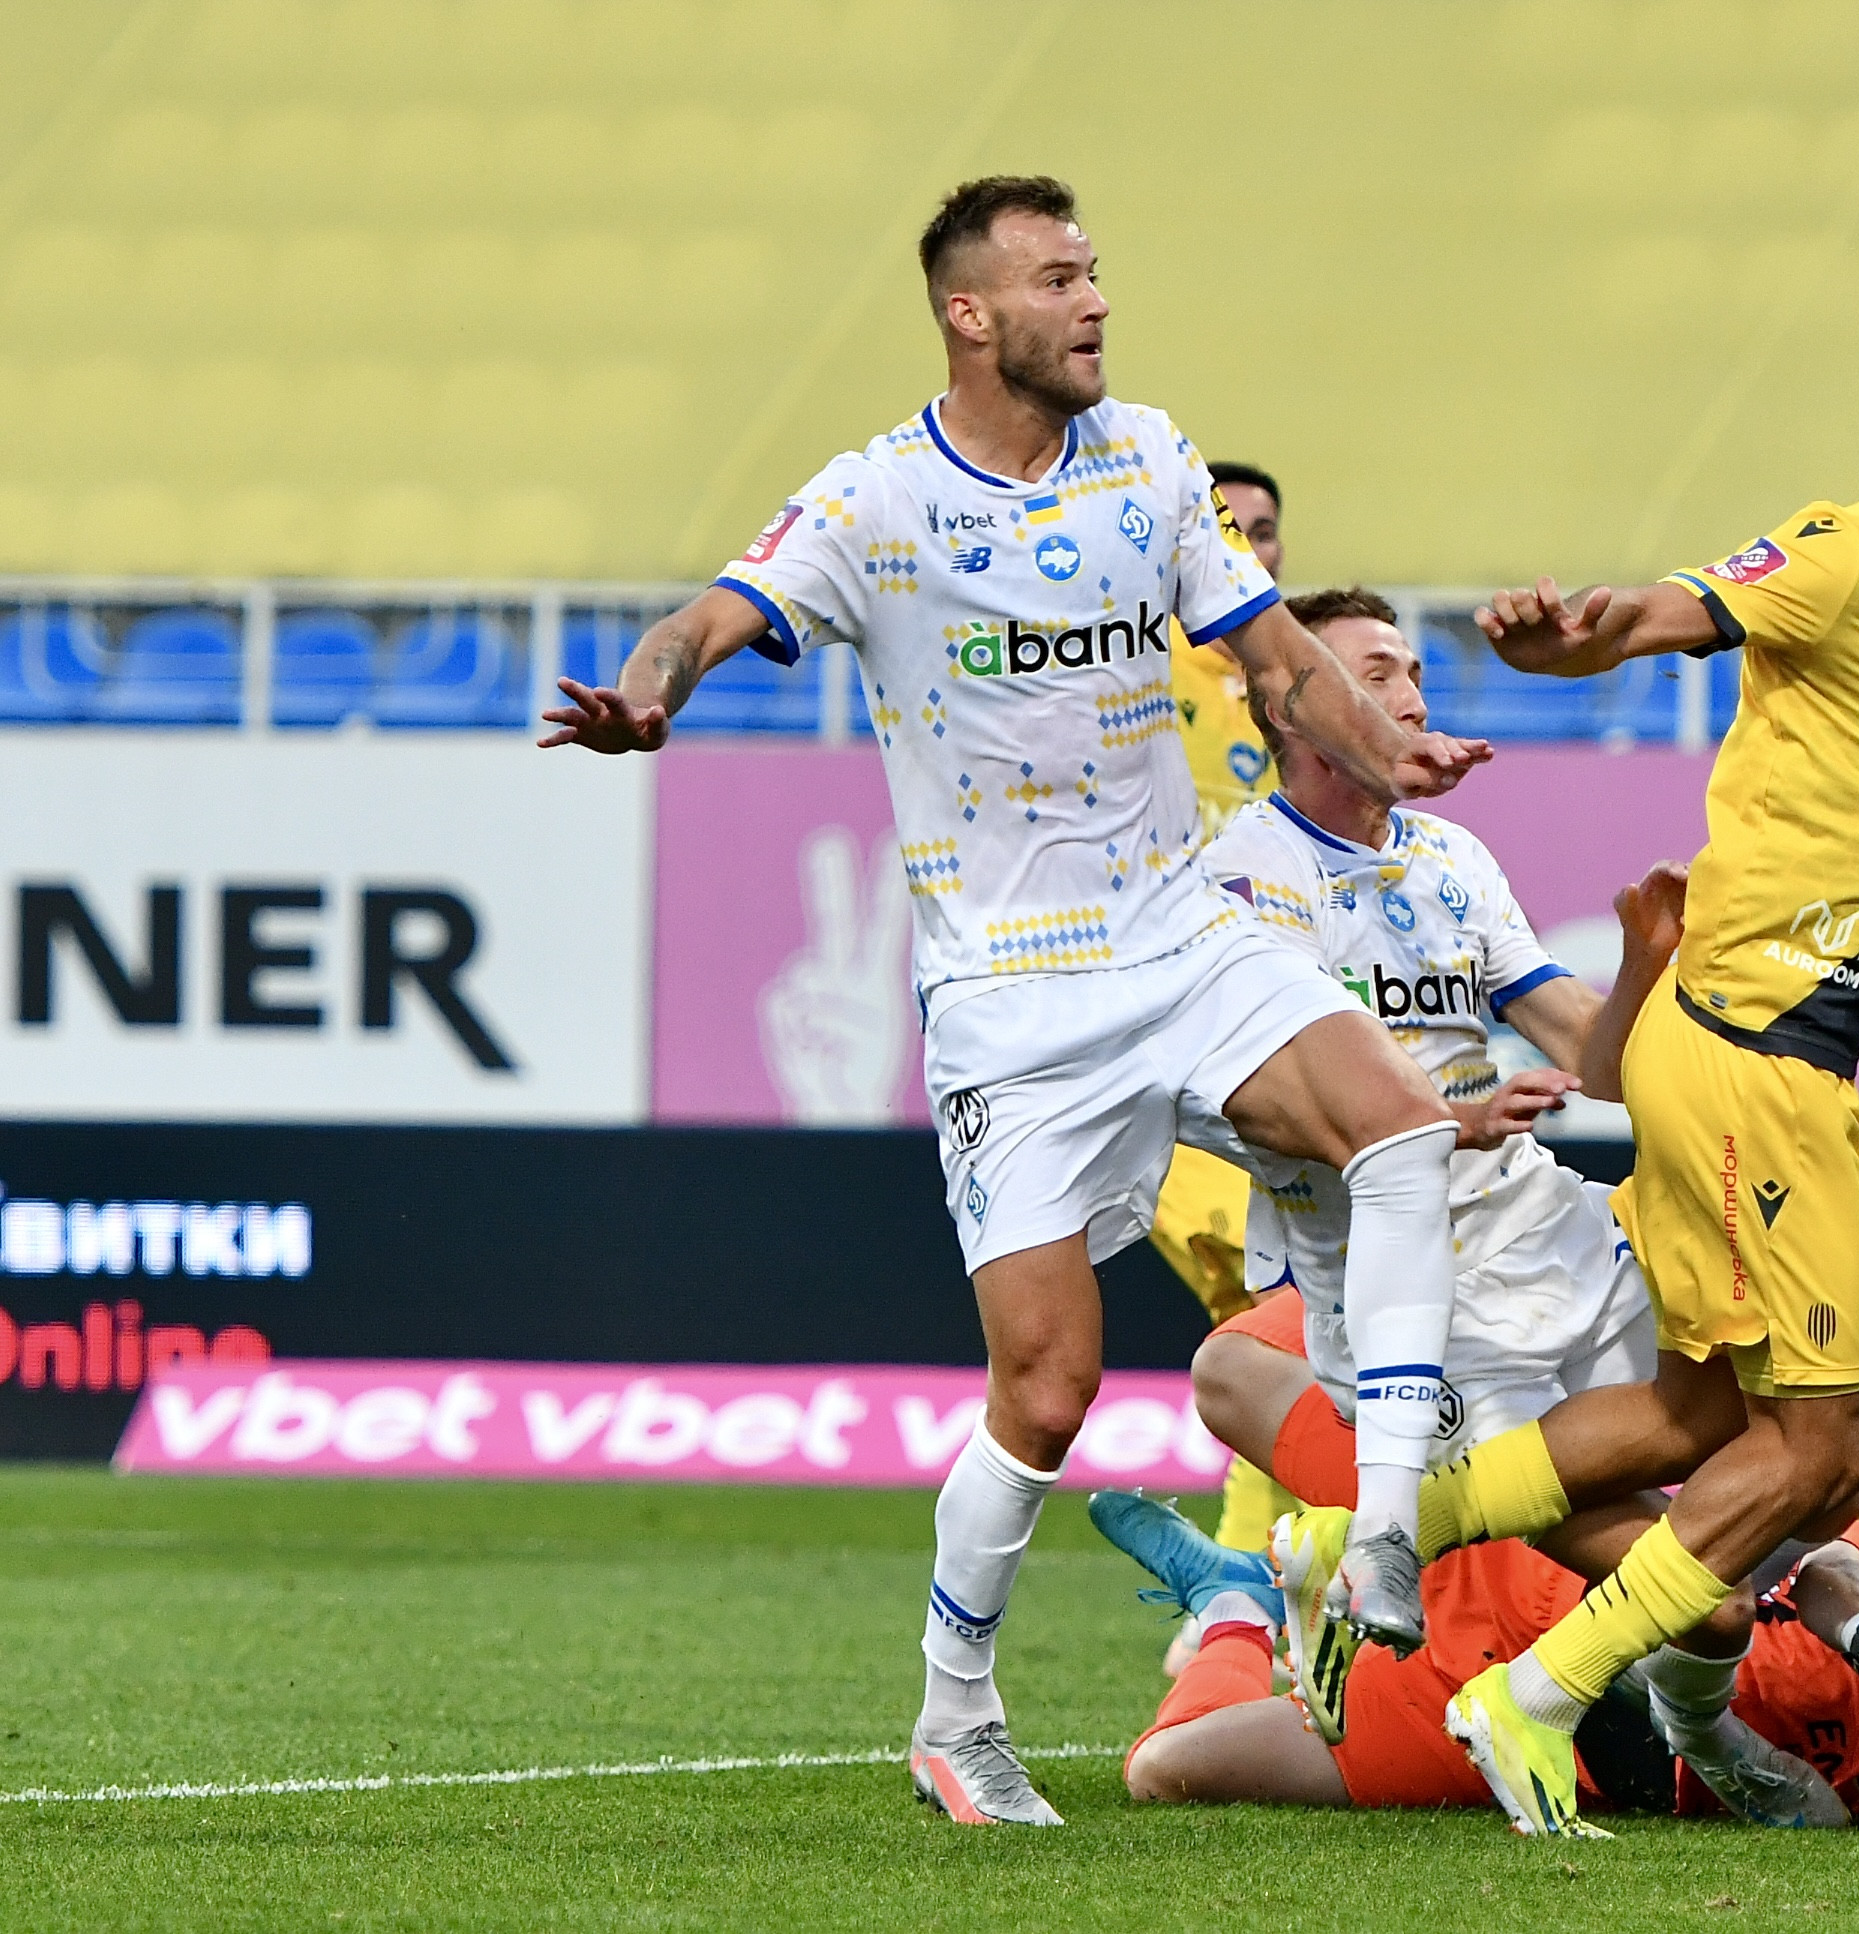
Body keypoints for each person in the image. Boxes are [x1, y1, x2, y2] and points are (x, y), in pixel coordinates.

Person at [538, 176, 1490, 1826]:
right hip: (1011, 995)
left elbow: (1275, 654)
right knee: (1047, 1390)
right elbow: (705, 618)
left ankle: (1388, 1518)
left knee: (1403, 1128)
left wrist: (1383, 748)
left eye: (1094, 270)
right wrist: (647, 696)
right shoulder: (879, 499)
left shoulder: (1150, 459)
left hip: (1180, 934)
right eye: (1058, 278)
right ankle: (954, 1713)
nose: (1095, 300)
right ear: (970, 315)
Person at [1402, 319, 1859, 1835]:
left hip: (1744, 1049)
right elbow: (1674, 609)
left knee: (1696, 1414)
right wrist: (1573, 645)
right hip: (1757, 1053)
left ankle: (1367, 1539)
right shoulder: (1852, 549)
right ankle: (1535, 1693)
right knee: (1819, 1451)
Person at [1182, 583, 1692, 1719]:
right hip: (1409, 1301)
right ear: (1295, 704)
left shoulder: (1453, 856)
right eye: (1376, 676)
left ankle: (1351, 1548)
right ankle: (1677, 1714)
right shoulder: (1245, 878)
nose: (1411, 696)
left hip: (1548, 1234)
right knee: (1676, 1575)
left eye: (1413, 671)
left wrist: (1643, 965)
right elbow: (1273, 1101)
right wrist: (1444, 1121)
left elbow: (1598, 1062)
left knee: (1754, 1425)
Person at [1092, 1485, 1859, 1843]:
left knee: (1165, 1770)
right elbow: (1837, 1565)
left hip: (1561, 1743)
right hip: (1543, 1589)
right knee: (1709, 1607)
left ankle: (1233, 1610)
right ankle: (1306, 1542)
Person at [1149, 458, 1294, 1574]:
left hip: (1264, 1028)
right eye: (1225, 525)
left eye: (1264, 529)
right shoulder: (1137, 665)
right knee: (1277, 1307)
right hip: (1149, 1037)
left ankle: (1254, 1583)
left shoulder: (1297, 683)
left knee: (1278, 1314)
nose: (1247, 543)